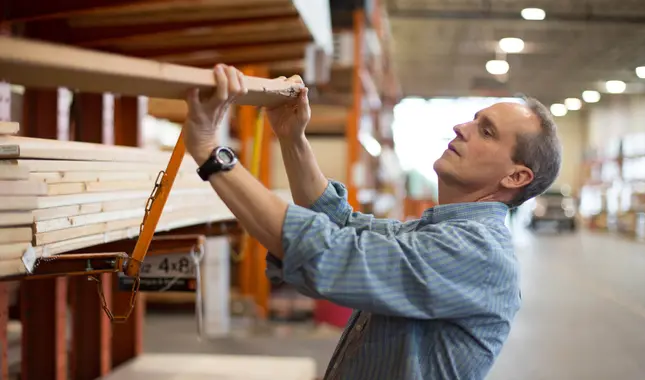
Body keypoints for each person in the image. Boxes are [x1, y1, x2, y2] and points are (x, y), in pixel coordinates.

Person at [183, 64, 562, 380]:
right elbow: (340, 224)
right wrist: (292, 137)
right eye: (474, 119)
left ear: (516, 177)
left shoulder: (477, 253)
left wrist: (211, 152)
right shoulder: (436, 232)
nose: (462, 127)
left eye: (487, 131)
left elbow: (331, 252)